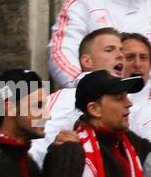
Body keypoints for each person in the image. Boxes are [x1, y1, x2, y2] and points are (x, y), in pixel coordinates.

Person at [32, 26, 126, 165]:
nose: (120, 55)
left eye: (121, 50)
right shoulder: (69, 98)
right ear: (87, 61)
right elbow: (37, 147)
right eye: (109, 50)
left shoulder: (127, 99)